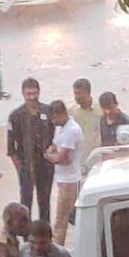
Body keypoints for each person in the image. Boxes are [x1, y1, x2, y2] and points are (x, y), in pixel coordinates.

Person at [7, 78, 54, 220]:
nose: (32, 97)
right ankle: (26, 236)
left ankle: (45, 233)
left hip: (46, 166)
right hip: (26, 165)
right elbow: (10, 148)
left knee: (45, 202)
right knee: (25, 203)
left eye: (35, 93)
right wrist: (19, 169)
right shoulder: (15, 116)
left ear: (39, 92)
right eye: (29, 94)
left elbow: (56, 137)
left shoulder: (48, 111)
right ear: (23, 94)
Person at [45, 101, 84, 246]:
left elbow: (61, 158)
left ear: (63, 114)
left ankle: (57, 248)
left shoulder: (71, 130)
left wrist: (49, 156)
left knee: (60, 220)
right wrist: (53, 154)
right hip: (62, 178)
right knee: (67, 218)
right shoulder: (61, 128)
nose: (53, 122)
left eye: (55, 118)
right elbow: (54, 147)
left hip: (70, 180)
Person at [69, 78, 101, 172]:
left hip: (98, 159)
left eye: (79, 93)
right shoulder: (72, 112)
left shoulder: (101, 110)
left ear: (88, 93)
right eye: (75, 93)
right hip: (79, 162)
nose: (76, 97)